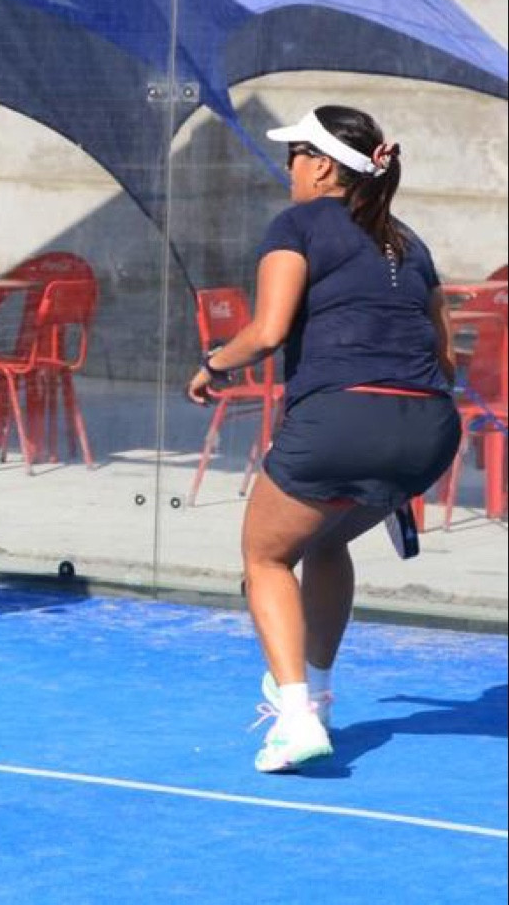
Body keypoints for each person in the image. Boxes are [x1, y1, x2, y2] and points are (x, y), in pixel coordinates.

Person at [186, 104, 459, 773]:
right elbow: (446, 361)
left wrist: (214, 364)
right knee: (326, 541)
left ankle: (296, 717)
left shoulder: (296, 225)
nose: (289, 170)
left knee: (265, 559)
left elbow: (268, 332)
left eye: (295, 156)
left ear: (323, 167)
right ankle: (320, 695)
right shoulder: (411, 242)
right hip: (430, 432)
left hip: (341, 422)